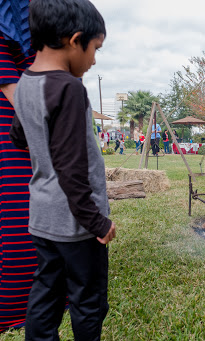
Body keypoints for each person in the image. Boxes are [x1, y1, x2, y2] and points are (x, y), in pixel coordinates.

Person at [9, 0, 116, 339]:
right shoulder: (69, 88)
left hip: (41, 218)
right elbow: (72, 170)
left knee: (46, 293)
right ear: (74, 40)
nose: (94, 59)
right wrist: (98, 221)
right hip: (77, 226)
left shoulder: (25, 82)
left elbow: (18, 136)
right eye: (95, 48)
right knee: (89, 300)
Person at [0, 0, 38, 333]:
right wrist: (31, 111)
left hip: (33, 93)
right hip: (14, 102)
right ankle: (13, 304)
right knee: (15, 204)